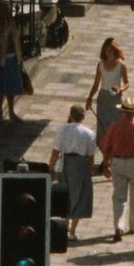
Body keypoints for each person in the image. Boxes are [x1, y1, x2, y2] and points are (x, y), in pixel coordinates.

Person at [100, 94, 134, 239]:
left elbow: (106, 148)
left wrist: (106, 166)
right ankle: (133, 226)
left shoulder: (114, 127)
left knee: (119, 197)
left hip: (117, 162)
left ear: (122, 111)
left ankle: (118, 227)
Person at [50, 102, 101, 241]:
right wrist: (89, 171)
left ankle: (64, 227)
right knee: (79, 196)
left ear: (71, 116)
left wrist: (50, 168)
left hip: (65, 162)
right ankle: (72, 231)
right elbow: (91, 156)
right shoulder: (89, 133)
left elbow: (55, 152)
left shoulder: (62, 129)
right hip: (80, 165)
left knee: (65, 196)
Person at [0, 3, 26, 126]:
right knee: (0, 88)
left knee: (12, 87)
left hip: (12, 59)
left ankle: (11, 111)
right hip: (0, 61)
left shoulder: (11, 22)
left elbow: (16, 40)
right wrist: (6, 30)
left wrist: (20, 58)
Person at [86, 35, 130, 140]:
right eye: (106, 50)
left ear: (115, 51)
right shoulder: (100, 65)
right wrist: (90, 98)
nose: (108, 53)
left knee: (116, 124)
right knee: (102, 124)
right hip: (103, 97)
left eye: (110, 50)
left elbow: (127, 83)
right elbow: (96, 84)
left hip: (116, 97)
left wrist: (121, 89)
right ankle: (103, 147)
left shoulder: (121, 65)